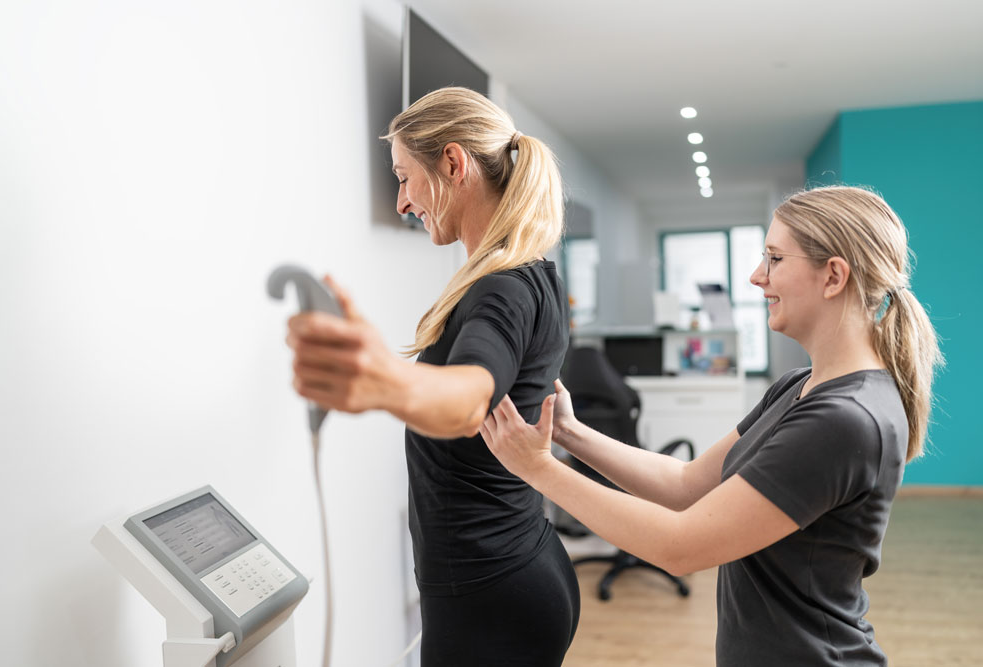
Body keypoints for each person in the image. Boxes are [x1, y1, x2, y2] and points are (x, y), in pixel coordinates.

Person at [480, 185, 943, 666]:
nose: (756, 276)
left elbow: (680, 547)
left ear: (833, 276)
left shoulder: (845, 419)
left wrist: (539, 470)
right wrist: (569, 433)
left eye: (775, 259)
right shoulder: (800, 386)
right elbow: (685, 486)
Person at [286, 87, 579, 665]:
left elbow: (471, 394)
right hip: (523, 563)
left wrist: (386, 383)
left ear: (452, 162)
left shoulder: (499, 290)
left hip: (487, 594)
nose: (401, 202)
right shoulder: (535, 274)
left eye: (403, 177)